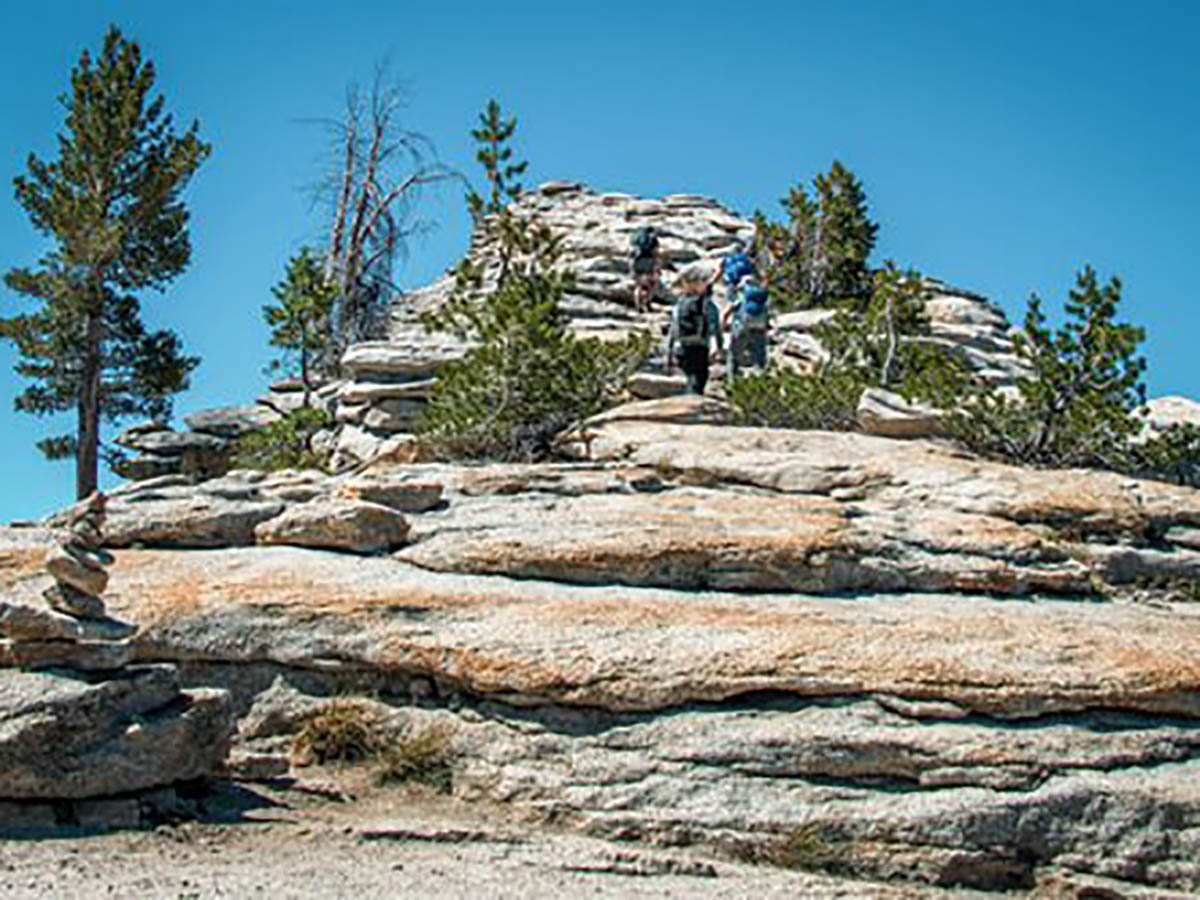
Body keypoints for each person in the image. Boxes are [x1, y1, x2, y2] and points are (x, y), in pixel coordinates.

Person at [666, 267, 724, 395]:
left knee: (689, 379)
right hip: (700, 347)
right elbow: (716, 329)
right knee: (698, 379)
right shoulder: (709, 306)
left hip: (682, 347)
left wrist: (669, 353)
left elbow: (673, 329)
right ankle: (693, 407)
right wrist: (719, 348)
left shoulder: (680, 303)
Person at [723, 279, 771, 382]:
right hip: (759, 328)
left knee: (733, 355)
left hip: (741, 327)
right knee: (759, 356)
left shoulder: (741, 296)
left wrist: (723, 324)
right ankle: (761, 381)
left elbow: (727, 311)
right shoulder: (762, 297)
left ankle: (732, 381)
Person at [629, 225, 660, 314]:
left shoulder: (635, 239)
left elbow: (631, 252)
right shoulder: (652, 239)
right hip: (649, 262)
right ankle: (647, 302)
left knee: (638, 286)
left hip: (637, 262)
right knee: (651, 284)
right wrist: (656, 265)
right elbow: (656, 251)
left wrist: (631, 267)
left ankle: (638, 305)